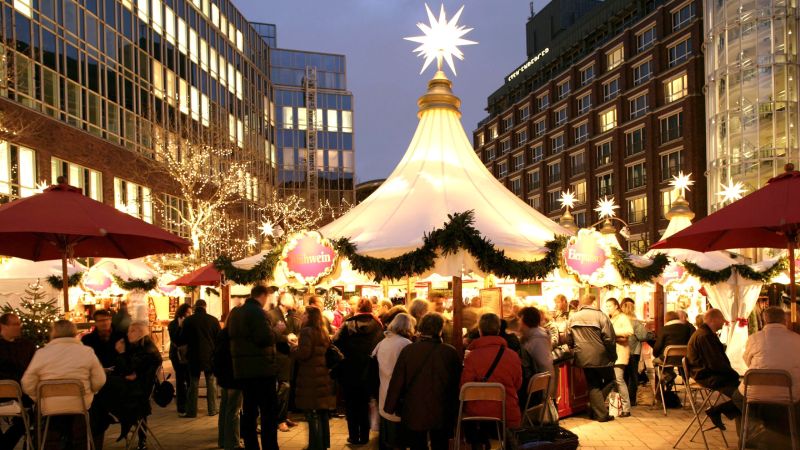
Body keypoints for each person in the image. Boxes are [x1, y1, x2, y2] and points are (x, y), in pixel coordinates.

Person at [22, 320, 106, 448]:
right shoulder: (86, 351)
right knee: (97, 414)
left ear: (53, 333)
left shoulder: (42, 353)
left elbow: (27, 382)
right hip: (80, 403)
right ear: (74, 332)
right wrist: (91, 391)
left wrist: (39, 397)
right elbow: (100, 379)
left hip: (49, 405)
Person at [384, 313, 462, 450]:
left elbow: (397, 381)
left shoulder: (408, 351)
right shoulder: (450, 352)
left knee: (417, 444)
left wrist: (391, 406)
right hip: (442, 409)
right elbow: (457, 382)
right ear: (440, 329)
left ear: (421, 328)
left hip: (414, 408)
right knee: (441, 443)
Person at [228, 285, 280, 450]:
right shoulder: (258, 313)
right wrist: (276, 331)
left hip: (243, 370)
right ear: (263, 296)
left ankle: (251, 445)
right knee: (268, 413)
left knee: (249, 411)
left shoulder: (237, 312)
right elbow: (264, 338)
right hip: (261, 370)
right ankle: (270, 446)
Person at [461, 313, 523, 449]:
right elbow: (518, 384)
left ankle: (478, 445)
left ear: (480, 330)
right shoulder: (512, 355)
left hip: (477, 413)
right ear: (499, 329)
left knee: (466, 412)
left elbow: (465, 387)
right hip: (506, 409)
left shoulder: (472, 357)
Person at [333, 297, 384, 445]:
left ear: (357, 309)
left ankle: (354, 436)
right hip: (370, 371)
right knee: (365, 403)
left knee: (351, 404)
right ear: (370, 309)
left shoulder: (347, 324)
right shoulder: (377, 325)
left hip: (349, 371)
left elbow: (335, 342)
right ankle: (365, 436)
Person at [107, 320, 163, 449]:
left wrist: (121, 353)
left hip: (138, 391)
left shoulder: (147, 351)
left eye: (132, 331)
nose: (128, 334)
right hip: (137, 387)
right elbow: (129, 369)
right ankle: (125, 425)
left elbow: (128, 368)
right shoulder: (142, 348)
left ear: (140, 334)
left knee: (106, 389)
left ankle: (116, 419)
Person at [686, 308, 742, 431]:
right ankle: (717, 411)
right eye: (721, 319)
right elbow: (715, 363)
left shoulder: (705, 334)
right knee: (745, 397)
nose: (723, 322)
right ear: (713, 319)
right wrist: (733, 374)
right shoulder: (705, 336)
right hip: (709, 376)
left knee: (746, 395)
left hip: (709, 374)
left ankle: (719, 411)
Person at [566, 294, 617, 422]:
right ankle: (598, 409)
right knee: (611, 380)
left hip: (582, 356)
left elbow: (569, 339)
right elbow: (609, 339)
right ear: (593, 303)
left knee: (593, 384)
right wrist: (613, 355)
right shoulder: (601, 316)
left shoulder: (573, 318)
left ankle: (597, 408)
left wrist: (575, 349)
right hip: (602, 357)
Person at [292, 306, 337, 450]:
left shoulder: (306, 331)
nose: (303, 316)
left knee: (311, 413)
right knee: (322, 411)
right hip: (322, 375)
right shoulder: (323, 331)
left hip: (310, 377)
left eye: (305, 313)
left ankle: (315, 445)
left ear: (310, 316)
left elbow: (304, 354)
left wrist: (294, 348)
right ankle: (324, 443)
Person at [372, 313, 415, 450]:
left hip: (384, 394)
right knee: (398, 441)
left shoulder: (383, 342)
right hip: (398, 399)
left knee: (387, 439)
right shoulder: (405, 344)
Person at [0, 313, 36, 449]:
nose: (19, 327)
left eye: (19, 323)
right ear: (2, 326)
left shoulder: (27, 345)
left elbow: (34, 368)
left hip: (23, 394)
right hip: (6, 392)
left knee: (29, 417)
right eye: (15, 324)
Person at [182, 299, 221, 417]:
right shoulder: (213, 320)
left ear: (195, 307)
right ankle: (212, 409)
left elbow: (183, 338)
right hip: (210, 356)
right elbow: (218, 338)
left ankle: (192, 411)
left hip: (193, 355)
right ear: (205, 307)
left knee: (193, 383)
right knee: (211, 383)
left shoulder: (188, 321)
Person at [268, 292, 301, 432]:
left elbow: (296, 331)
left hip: (289, 357)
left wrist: (297, 339)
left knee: (287, 388)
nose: (294, 302)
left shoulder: (291, 316)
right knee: (283, 387)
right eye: (292, 299)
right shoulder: (273, 315)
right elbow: (272, 334)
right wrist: (286, 338)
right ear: (284, 301)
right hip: (278, 357)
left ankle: (283, 415)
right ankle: (279, 419)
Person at [517, 307, 554, 417]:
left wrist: (544, 391)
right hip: (536, 388)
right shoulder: (531, 337)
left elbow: (544, 365)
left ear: (525, 321)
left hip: (536, 390)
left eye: (519, 319)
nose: (518, 323)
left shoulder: (538, 339)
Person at [214, 315, 243, 450]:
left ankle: (223, 441)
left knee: (225, 409)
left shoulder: (222, 334)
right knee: (234, 411)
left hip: (224, 377)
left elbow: (217, 357)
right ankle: (233, 443)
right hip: (234, 377)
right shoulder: (237, 336)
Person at [605, 298, 632, 417]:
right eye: (607, 306)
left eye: (610, 306)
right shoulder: (610, 318)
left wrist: (613, 332)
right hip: (612, 354)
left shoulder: (622, 317)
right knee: (614, 381)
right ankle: (615, 407)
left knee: (619, 380)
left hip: (620, 354)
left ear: (616, 306)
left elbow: (629, 331)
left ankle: (626, 408)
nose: (608, 308)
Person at [620, 298, 648, 406]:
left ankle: (622, 399)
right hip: (633, 352)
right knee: (632, 376)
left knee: (622, 376)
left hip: (621, 351)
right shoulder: (636, 323)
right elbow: (643, 336)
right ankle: (631, 400)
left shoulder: (618, 321)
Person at [168, 303, 192, 416]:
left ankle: (189, 403)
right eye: (188, 312)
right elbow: (175, 338)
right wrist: (181, 327)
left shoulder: (189, 323)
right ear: (182, 313)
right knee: (180, 379)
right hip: (177, 355)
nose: (189, 315)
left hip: (187, 355)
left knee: (189, 378)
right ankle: (181, 405)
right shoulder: (173, 324)